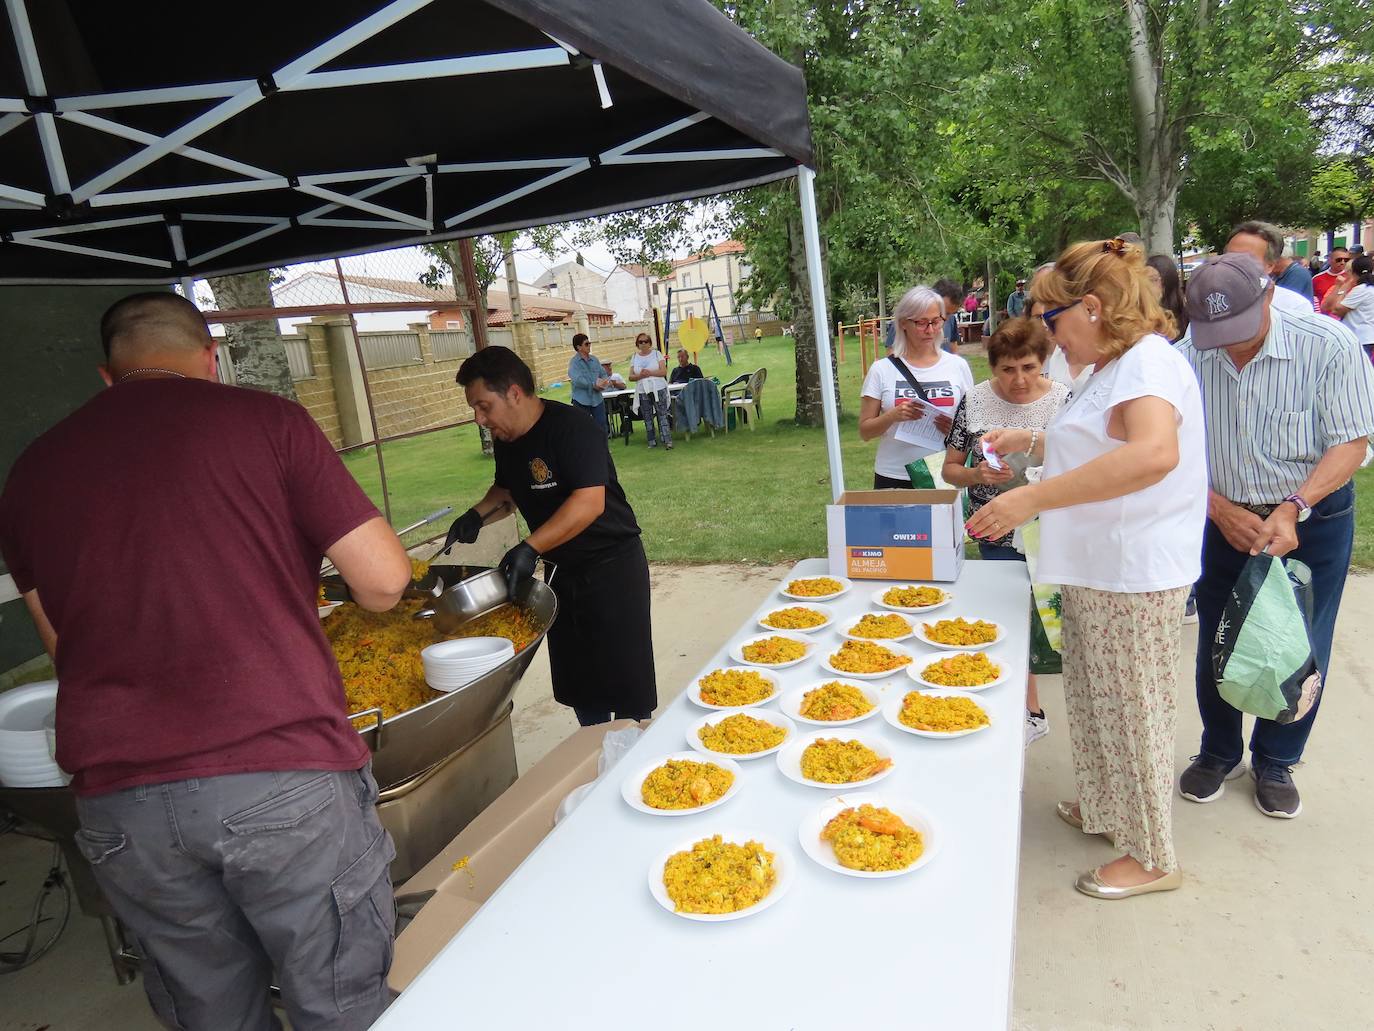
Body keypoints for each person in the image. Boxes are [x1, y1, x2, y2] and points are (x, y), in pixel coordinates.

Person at [0, 293, 413, 1029]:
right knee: (342, 1009)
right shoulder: (267, 421)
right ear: (210, 356)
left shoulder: (30, 473)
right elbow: (383, 582)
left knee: (213, 1015)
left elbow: (66, 645)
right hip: (279, 772)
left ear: (106, 374)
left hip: (122, 804)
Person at [967, 237, 1206, 899]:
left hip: (1135, 570)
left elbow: (1152, 453)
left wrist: (1033, 495)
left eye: (1051, 318)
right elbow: (1099, 439)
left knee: (1133, 713)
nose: (1049, 335)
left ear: (1093, 308)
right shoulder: (1111, 367)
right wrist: (1034, 439)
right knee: (1097, 705)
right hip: (1099, 567)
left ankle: (1152, 852)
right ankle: (1107, 810)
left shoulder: (1148, 366)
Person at [1174, 253, 1374, 818]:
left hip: (1312, 515)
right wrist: (1218, 509)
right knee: (1220, 632)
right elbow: (1171, 454)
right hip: (1224, 518)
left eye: (1240, 331)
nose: (1231, 349)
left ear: (1269, 297)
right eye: (1219, 337)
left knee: (1301, 637)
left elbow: (1351, 443)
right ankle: (1218, 750)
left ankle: (1277, 757)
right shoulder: (1186, 356)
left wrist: (1293, 507)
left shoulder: (1329, 345)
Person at [448, 346, 656, 727]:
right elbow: (507, 493)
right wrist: (475, 516)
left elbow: (589, 502)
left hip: (612, 567)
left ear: (513, 392)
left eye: (483, 406)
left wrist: (531, 547)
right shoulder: (507, 441)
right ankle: (593, 745)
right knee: (580, 678)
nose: (479, 418)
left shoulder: (574, 428)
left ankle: (632, 749)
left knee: (625, 678)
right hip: (562, 573)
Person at [942, 317, 1068, 745]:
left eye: (1029, 368)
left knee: (1054, 621)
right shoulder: (974, 402)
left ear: (1044, 363)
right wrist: (976, 474)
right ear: (993, 368)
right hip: (994, 530)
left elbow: (1086, 464)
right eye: (1007, 370)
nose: (1019, 380)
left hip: (1053, 530)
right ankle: (1028, 711)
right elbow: (949, 470)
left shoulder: (1065, 402)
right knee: (1008, 619)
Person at [859, 286, 974, 488]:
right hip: (893, 474)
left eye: (936, 321)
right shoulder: (881, 370)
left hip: (942, 474)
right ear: (904, 323)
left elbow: (974, 426)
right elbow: (865, 431)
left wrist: (954, 430)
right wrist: (892, 416)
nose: (930, 330)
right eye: (921, 323)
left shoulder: (957, 366)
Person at [1225, 220, 1313, 311]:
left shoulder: (1294, 306)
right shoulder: (1211, 297)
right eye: (1230, 256)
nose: (1234, 263)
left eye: (1246, 259)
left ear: (1270, 266)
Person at [1321, 255, 1374, 354]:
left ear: (1353, 272)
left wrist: (1343, 288)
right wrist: (1338, 287)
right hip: (1353, 336)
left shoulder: (1362, 289)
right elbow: (1325, 307)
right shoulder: (1366, 288)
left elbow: (1337, 310)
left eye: (1348, 271)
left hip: (1359, 337)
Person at [628, 332, 672, 450]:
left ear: (649, 343)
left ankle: (667, 440)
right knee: (647, 416)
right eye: (640, 342)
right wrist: (641, 376)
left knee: (662, 414)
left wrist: (650, 373)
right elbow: (631, 376)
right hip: (643, 390)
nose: (643, 344)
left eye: (645, 341)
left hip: (658, 388)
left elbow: (663, 372)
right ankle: (651, 440)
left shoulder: (657, 354)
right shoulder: (635, 357)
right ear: (637, 344)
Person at [567, 332, 610, 433]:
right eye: (586, 344)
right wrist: (593, 385)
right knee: (583, 428)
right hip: (581, 401)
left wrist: (603, 383)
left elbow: (603, 373)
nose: (589, 346)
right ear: (579, 347)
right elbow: (577, 380)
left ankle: (603, 448)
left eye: (589, 343)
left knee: (602, 425)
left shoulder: (594, 360)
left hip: (597, 399)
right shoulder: (574, 363)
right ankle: (586, 449)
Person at [1144, 254, 1189, 341]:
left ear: (1167, 281)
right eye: (1143, 280)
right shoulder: (1142, 316)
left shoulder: (1188, 316)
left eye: (1152, 280)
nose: (1146, 286)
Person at [1312, 246, 1350, 311]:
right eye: (1339, 260)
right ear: (1329, 260)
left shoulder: (1351, 278)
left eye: (1346, 260)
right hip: (1323, 317)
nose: (1342, 262)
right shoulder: (1317, 279)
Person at [933, 278, 965, 355]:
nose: (946, 318)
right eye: (943, 312)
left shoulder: (951, 319)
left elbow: (953, 349)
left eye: (951, 313)